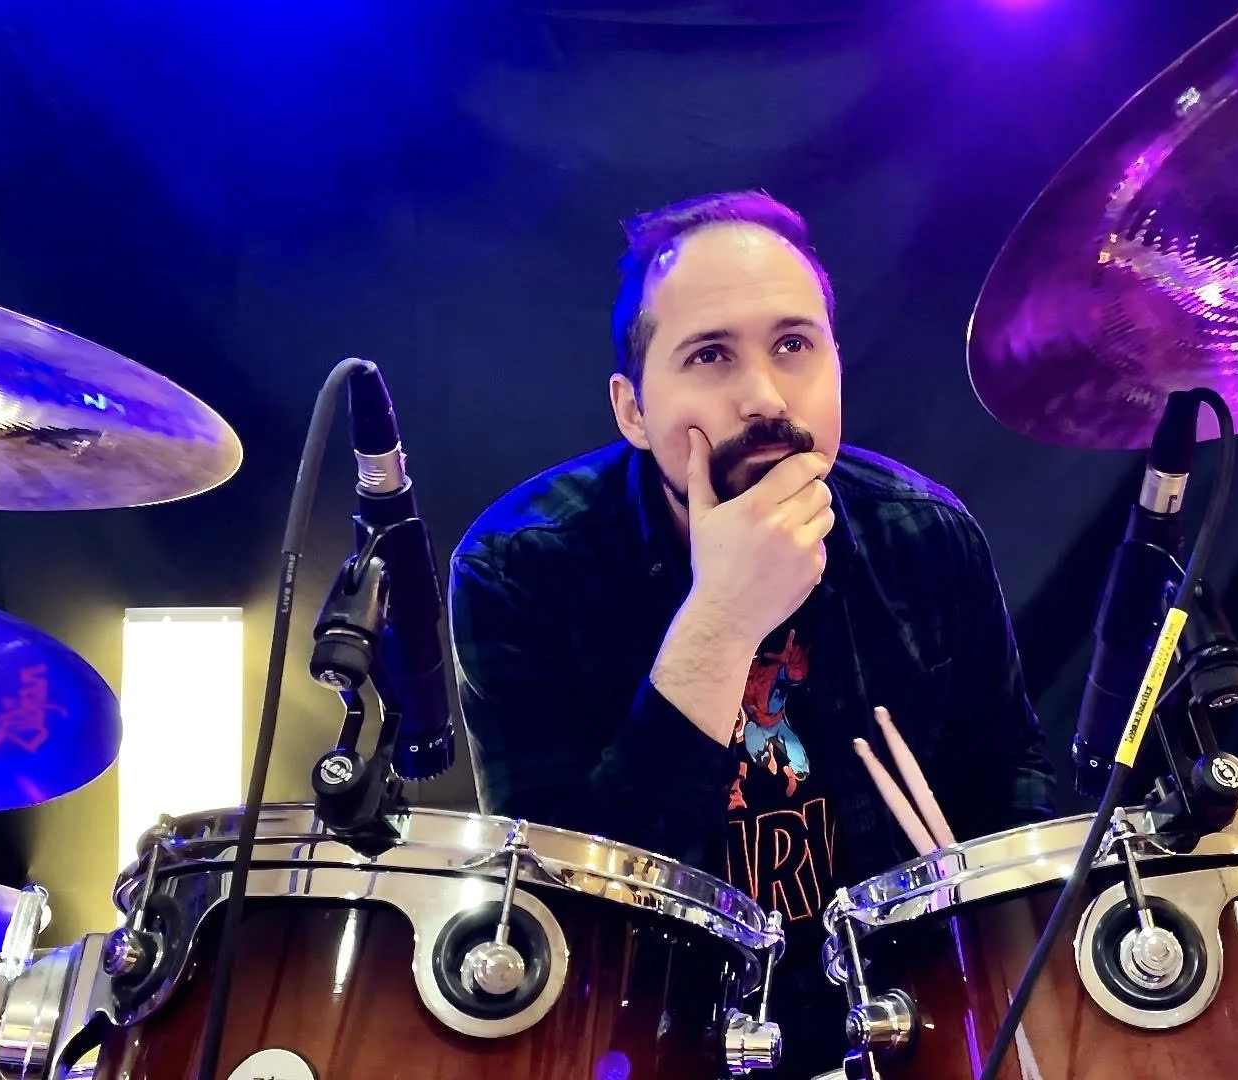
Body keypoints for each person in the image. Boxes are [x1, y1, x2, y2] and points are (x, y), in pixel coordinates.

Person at [449, 190, 1056, 1078]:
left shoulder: (925, 534)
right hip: (655, 1049)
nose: (765, 396)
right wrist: (721, 620)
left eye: (794, 346)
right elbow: (558, 923)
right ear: (631, 409)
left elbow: (1010, 788)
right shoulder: (521, 568)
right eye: (709, 355)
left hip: (904, 1040)